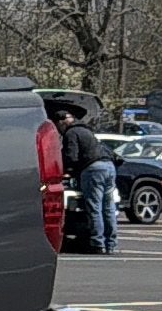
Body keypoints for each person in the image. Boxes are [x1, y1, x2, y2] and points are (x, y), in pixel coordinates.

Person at [45, 91, 119, 254]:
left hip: (92, 170)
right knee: (108, 207)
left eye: (58, 127)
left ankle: (97, 243)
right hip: (108, 167)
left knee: (94, 207)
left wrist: (64, 170)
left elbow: (71, 156)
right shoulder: (87, 131)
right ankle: (111, 243)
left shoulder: (71, 133)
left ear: (62, 122)